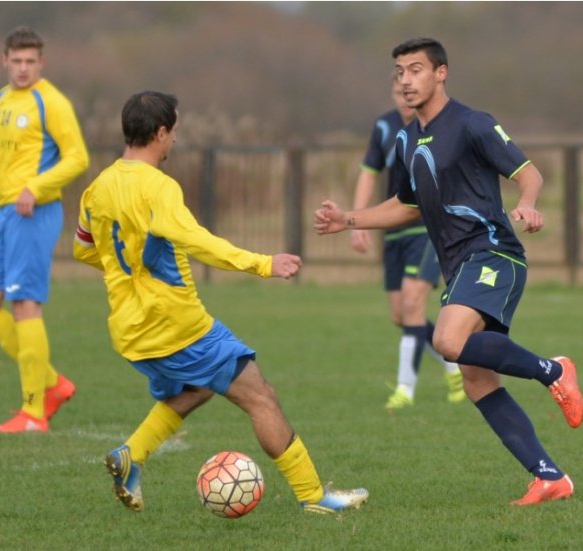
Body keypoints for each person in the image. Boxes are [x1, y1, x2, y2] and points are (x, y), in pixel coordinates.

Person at [315, 37, 583, 506]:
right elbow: (406, 206)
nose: (405, 80)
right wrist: (348, 220)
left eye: (416, 69)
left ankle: (552, 370)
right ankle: (549, 476)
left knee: (446, 340)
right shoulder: (405, 140)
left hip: (494, 253)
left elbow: (528, 173)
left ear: (441, 73)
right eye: (399, 72)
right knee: (477, 378)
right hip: (458, 264)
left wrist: (527, 204)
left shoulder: (472, 124)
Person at [73, 90, 368, 514]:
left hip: (129, 330)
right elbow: (198, 242)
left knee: (196, 389)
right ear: (160, 133)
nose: (175, 139)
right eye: (174, 131)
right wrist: (262, 264)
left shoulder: (97, 188)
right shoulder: (158, 188)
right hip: (176, 325)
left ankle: (131, 455)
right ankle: (314, 498)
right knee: (261, 395)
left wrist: (127, 273)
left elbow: (84, 248)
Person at [0, 26, 89, 433]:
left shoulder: (51, 102)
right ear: (5, 61)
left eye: (30, 61)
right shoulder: (1, 99)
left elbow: (78, 158)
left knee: (25, 307)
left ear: (41, 63)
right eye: (16, 61)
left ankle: (34, 413)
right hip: (3, 216)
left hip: (35, 214)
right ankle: (50, 382)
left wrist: (36, 187)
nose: (22, 68)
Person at [351, 77, 464, 410]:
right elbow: (369, 172)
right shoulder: (384, 127)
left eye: (408, 90)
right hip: (394, 227)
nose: (404, 96)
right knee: (402, 315)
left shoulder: (436, 126)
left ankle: (405, 389)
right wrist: (358, 220)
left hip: (428, 227)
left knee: (414, 303)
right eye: (398, 91)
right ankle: (453, 366)